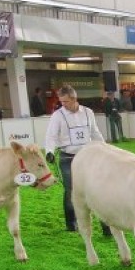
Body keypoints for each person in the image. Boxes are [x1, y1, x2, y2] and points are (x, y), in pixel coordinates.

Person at [44, 85, 106, 233]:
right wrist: (49, 151)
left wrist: (105, 149)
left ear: (74, 99)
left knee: (96, 189)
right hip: (67, 158)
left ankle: (106, 223)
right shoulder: (58, 115)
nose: (62, 104)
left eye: (65, 101)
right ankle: (71, 223)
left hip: (88, 157)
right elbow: (51, 136)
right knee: (70, 189)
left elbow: (94, 132)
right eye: (61, 102)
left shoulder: (88, 112)